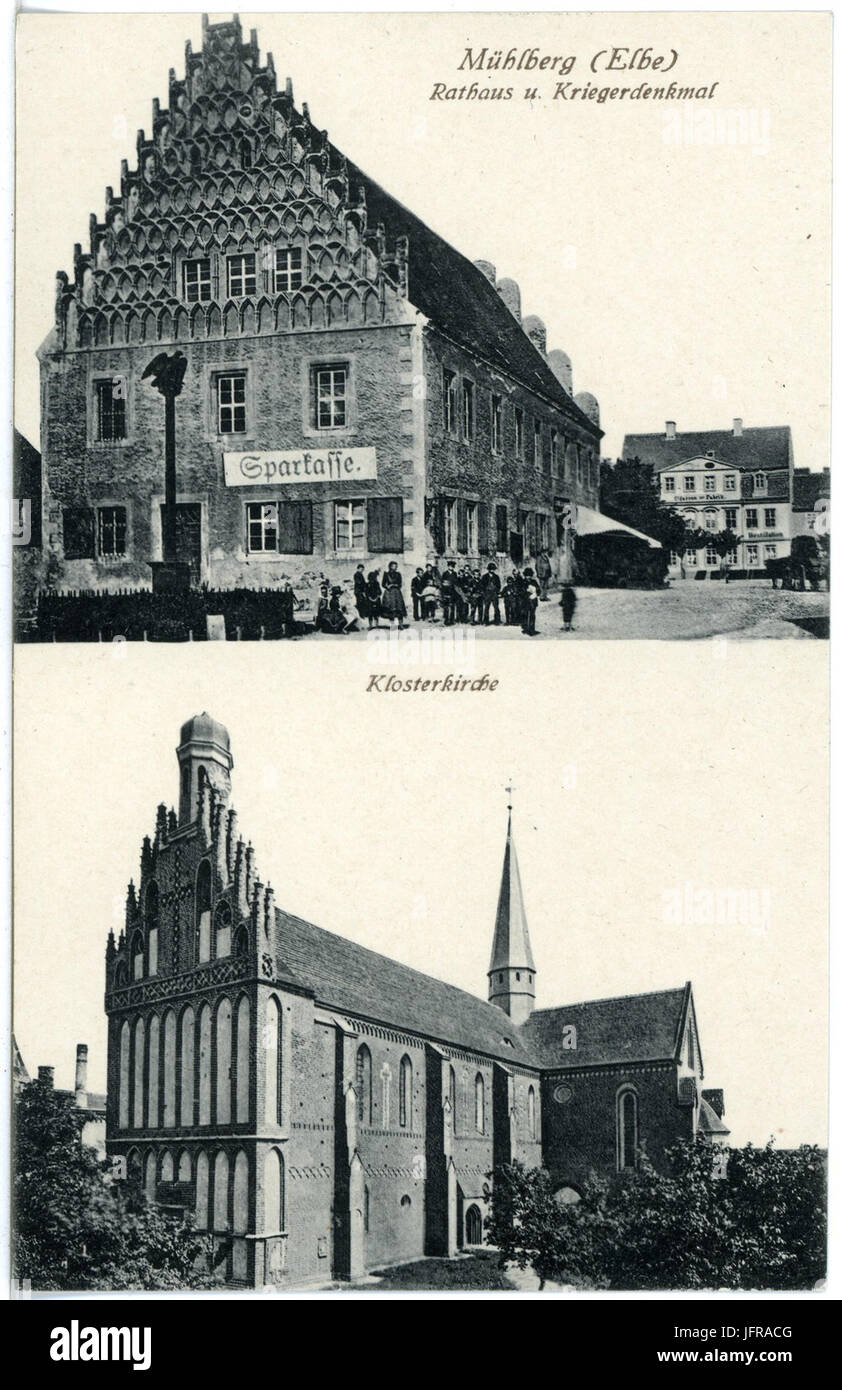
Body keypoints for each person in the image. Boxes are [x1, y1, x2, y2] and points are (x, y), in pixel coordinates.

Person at [380, 560, 408, 629]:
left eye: (396, 566)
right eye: (394, 566)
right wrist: (387, 586)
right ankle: (392, 625)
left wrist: (396, 585)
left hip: (396, 592)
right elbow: (383, 584)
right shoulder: (386, 574)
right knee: (390, 609)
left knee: (399, 608)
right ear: (390, 566)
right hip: (389, 593)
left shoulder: (398, 574)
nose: (395, 567)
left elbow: (400, 583)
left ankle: (401, 625)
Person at [521, 567, 540, 636]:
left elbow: (539, 591)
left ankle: (532, 630)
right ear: (525, 575)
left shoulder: (534, 582)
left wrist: (535, 593)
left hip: (533, 601)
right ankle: (525, 629)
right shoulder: (522, 582)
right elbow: (520, 592)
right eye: (527, 575)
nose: (528, 577)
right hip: (525, 601)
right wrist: (526, 591)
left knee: (532, 615)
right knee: (525, 615)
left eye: (529, 575)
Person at [440, 560, 458, 626]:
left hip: (453, 593)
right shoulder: (445, 574)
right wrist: (443, 593)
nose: (451, 567)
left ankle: (452, 620)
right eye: (450, 566)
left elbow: (456, 583)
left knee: (452, 607)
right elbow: (442, 583)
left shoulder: (455, 574)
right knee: (446, 607)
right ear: (448, 566)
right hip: (446, 592)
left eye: (453, 566)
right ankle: (446, 620)